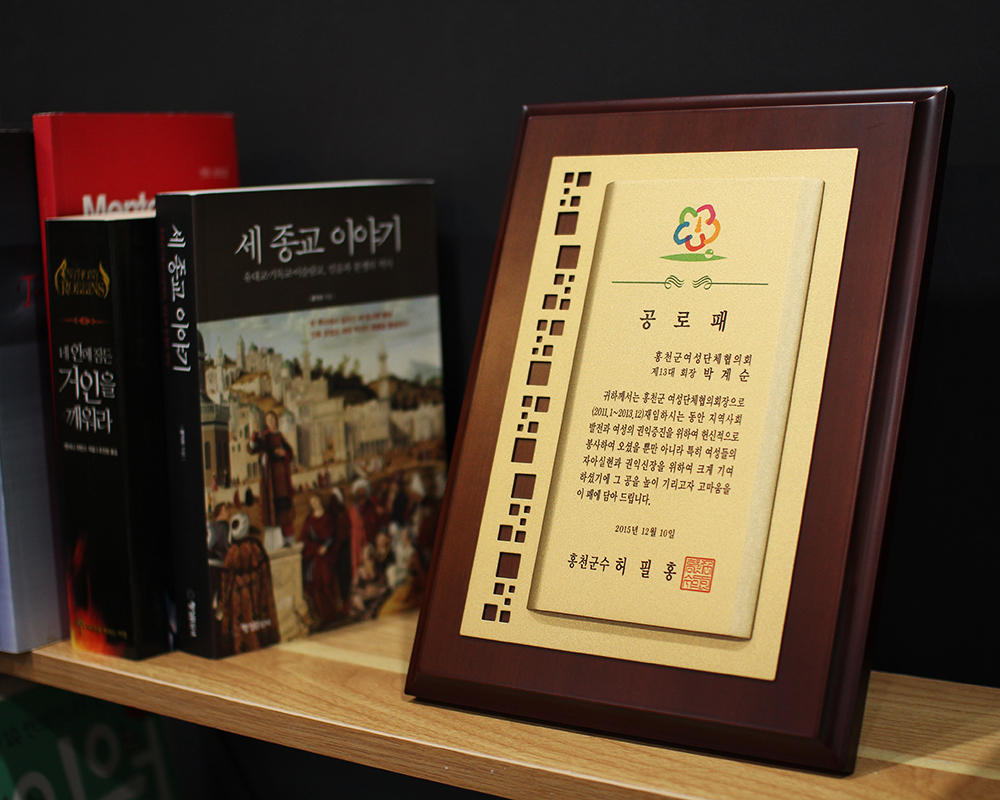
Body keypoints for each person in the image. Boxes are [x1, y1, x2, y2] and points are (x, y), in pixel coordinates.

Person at [248, 411, 296, 540]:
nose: (271, 422)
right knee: (272, 506)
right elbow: (253, 448)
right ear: (266, 423)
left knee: (284, 507)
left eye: (273, 419)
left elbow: (290, 452)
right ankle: (275, 540)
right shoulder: (266, 436)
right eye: (268, 420)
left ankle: (287, 536)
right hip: (271, 478)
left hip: (282, 477)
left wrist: (284, 452)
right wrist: (255, 435)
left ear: (276, 420)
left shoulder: (280, 435)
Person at [299, 493, 345, 625]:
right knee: (315, 585)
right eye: (312, 502)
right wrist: (315, 548)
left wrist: (326, 547)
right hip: (314, 557)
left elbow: (334, 536)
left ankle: (333, 614)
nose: (314, 504)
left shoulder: (328, 518)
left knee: (328, 583)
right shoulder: (309, 520)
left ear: (320, 501)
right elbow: (304, 538)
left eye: (316, 501)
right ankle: (322, 616)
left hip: (327, 556)